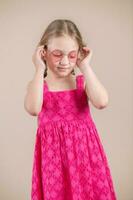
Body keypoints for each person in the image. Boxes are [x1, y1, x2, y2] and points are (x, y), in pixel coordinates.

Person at [24, 19, 117, 200]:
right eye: (57, 54)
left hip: (85, 157)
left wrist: (85, 66)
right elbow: (33, 109)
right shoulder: (38, 86)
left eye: (72, 55)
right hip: (54, 162)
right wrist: (38, 68)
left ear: (79, 54)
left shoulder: (82, 83)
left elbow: (102, 102)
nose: (65, 61)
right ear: (44, 53)